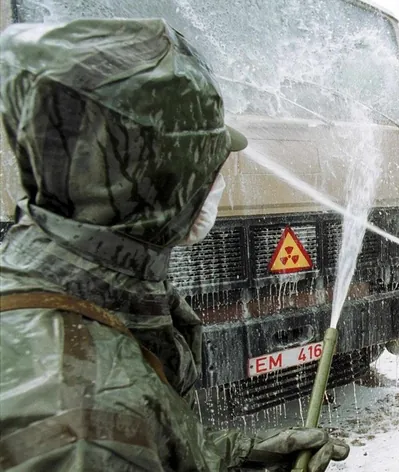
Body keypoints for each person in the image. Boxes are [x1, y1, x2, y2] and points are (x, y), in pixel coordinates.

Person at [0, 19, 349, 471]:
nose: (218, 181)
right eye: (209, 163)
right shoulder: (86, 430)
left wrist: (241, 456)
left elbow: (152, 442)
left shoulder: (62, 293)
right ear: (165, 181)